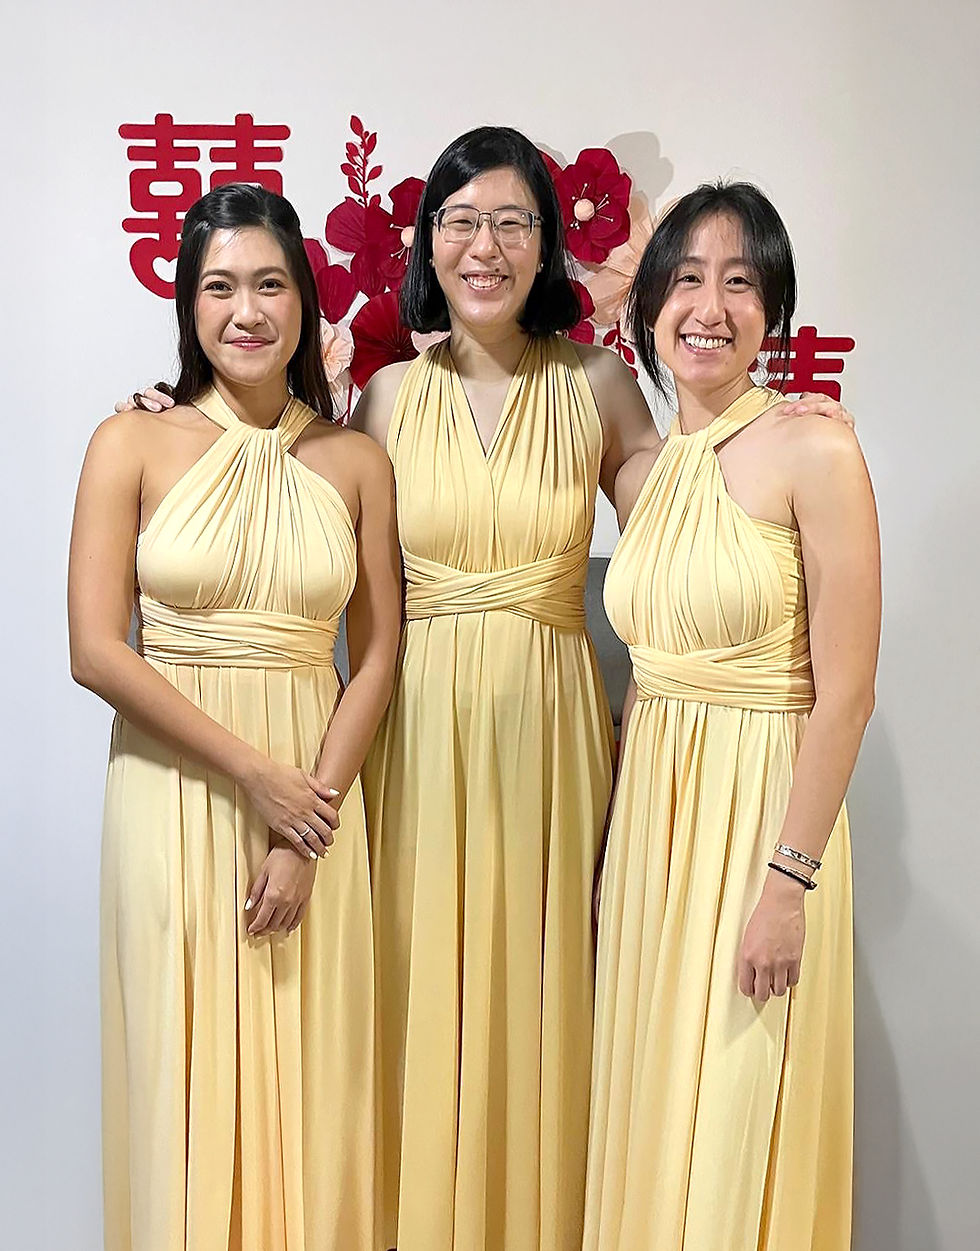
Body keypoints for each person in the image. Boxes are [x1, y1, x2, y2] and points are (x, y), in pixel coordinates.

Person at [121, 133, 851, 1251]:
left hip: (550, 730)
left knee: (547, 1004)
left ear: (548, 244)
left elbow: (689, 506)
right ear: (426, 242)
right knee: (405, 999)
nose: (486, 244)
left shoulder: (600, 383)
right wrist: (174, 413)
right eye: (460, 219)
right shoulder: (380, 399)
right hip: (410, 727)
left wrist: (781, 417)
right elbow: (298, 506)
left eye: (514, 221)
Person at [69, 183, 401, 1251]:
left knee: (311, 1076)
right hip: (173, 794)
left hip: (310, 808)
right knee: (182, 1067)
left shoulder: (353, 461)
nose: (245, 311)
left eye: (268, 284)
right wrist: (252, 776)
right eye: (219, 288)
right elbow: (94, 648)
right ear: (188, 306)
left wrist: (306, 816)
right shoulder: (130, 441)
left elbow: (378, 651)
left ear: (305, 301)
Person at [584, 182, 880, 1251]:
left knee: (733, 1121)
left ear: (774, 314)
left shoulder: (814, 450)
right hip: (654, 831)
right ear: (650, 303)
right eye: (684, 279)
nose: (706, 307)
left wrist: (786, 886)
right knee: (654, 1108)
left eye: (739, 282)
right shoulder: (651, 470)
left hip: (760, 830)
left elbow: (845, 690)